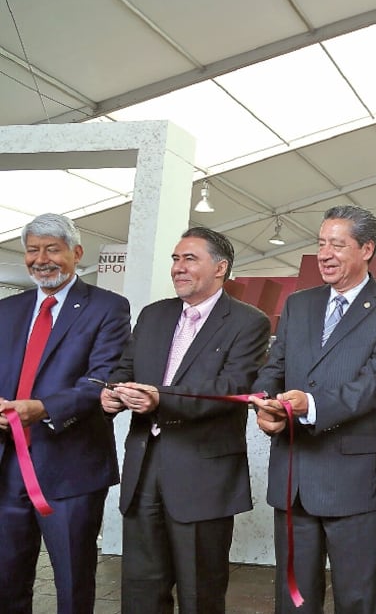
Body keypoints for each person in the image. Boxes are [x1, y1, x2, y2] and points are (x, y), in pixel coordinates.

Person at [251, 205, 376, 614]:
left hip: (355, 481)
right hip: (294, 478)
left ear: (366, 249)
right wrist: (263, 401)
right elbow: (274, 367)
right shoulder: (299, 304)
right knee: (293, 600)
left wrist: (312, 405)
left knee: (360, 599)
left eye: (337, 245)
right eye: (321, 243)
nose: (325, 253)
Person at [100, 227, 271, 613]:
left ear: (220, 268)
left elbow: (233, 387)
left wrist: (160, 398)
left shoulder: (248, 322)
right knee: (140, 591)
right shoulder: (154, 315)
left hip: (203, 477)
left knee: (199, 594)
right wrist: (111, 393)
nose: (178, 267)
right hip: (143, 473)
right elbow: (124, 368)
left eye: (189, 258)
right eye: (175, 259)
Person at [0, 213, 131, 614]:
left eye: (52, 249)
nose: (42, 259)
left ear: (76, 253)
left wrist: (42, 410)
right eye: (33, 250)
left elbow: (102, 380)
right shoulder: (7, 310)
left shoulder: (108, 307)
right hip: (7, 468)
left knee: (72, 583)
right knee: (6, 580)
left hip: (71, 467)